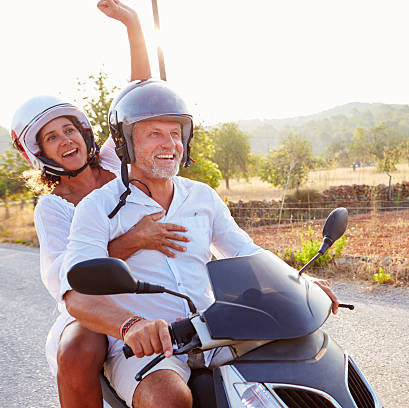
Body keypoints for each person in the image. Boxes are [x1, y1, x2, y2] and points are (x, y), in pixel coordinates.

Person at [59, 79, 340, 408]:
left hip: (216, 330)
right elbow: (76, 294)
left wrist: (297, 279)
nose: (170, 144)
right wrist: (132, 325)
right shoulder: (97, 207)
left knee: (300, 362)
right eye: (155, 134)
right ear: (125, 142)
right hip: (147, 347)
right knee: (168, 398)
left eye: (176, 133)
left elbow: (245, 252)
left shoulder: (202, 196)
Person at [11, 2, 189, 407]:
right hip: (94, 308)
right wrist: (132, 240)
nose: (66, 141)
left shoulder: (115, 160)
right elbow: (68, 282)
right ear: (40, 151)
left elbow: (140, 93)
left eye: (69, 129)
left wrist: (132, 24)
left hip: (153, 290)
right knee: (78, 349)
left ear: (85, 131)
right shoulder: (53, 208)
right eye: (52, 138)